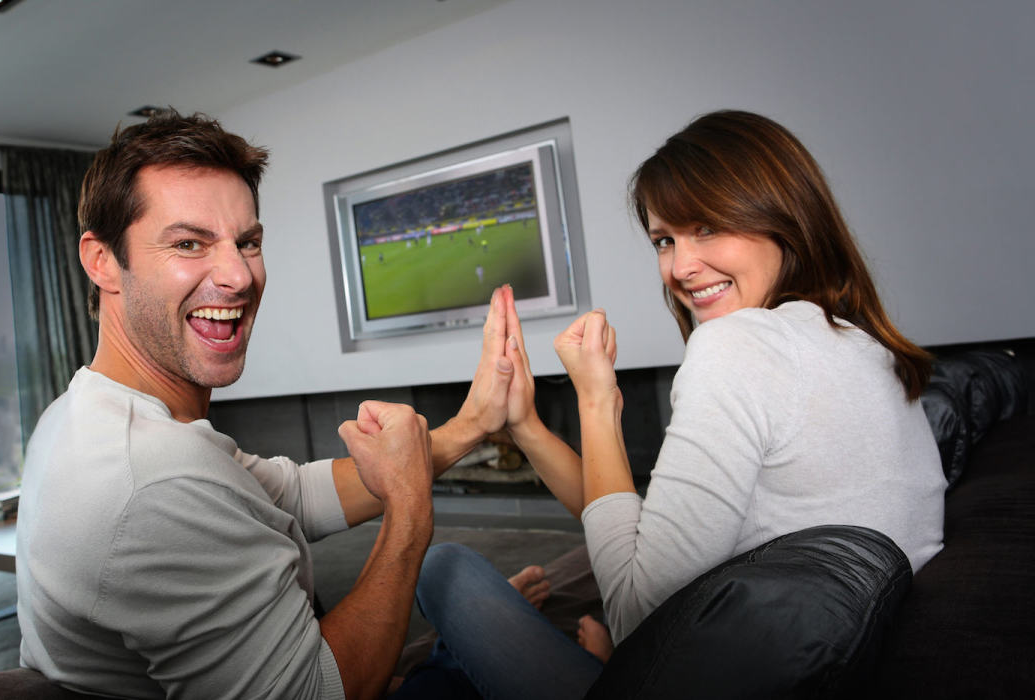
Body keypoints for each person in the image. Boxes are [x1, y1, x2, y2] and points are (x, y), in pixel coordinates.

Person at [391, 110, 946, 699]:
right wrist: (525, 423)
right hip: (819, 651)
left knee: (444, 566)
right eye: (665, 240)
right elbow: (638, 528)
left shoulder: (738, 345)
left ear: (785, 217)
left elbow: (635, 616)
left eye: (707, 228)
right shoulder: (862, 344)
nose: (680, 268)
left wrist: (596, 401)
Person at [14, 110, 521, 700]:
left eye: (247, 242)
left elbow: (292, 496)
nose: (237, 275)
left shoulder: (94, 413)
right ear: (103, 262)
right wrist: (410, 515)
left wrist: (474, 424)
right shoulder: (151, 482)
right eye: (187, 243)